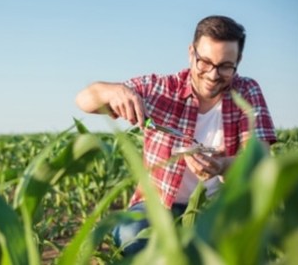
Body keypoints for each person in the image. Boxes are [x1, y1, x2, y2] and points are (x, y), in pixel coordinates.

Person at [75, 15, 276, 255]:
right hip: (158, 205)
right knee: (131, 234)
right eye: (204, 62)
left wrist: (222, 165)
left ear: (238, 61)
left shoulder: (246, 91)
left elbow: (259, 157)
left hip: (219, 206)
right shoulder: (162, 89)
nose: (213, 75)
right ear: (191, 53)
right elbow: (84, 99)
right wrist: (115, 92)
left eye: (225, 66)